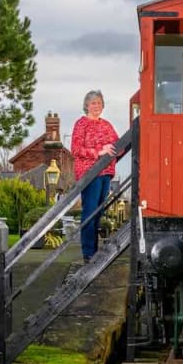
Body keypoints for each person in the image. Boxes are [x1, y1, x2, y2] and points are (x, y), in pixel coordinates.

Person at [70, 90, 119, 263]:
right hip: (90, 173)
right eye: (93, 103)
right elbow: (75, 150)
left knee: (99, 213)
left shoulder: (107, 125)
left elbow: (118, 145)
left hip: (106, 173)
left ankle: (95, 251)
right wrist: (98, 152)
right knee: (90, 212)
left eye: (99, 103)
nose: (96, 106)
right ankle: (88, 252)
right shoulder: (81, 124)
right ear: (87, 106)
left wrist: (112, 152)